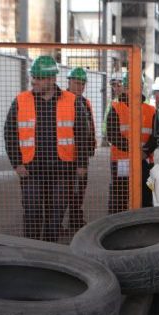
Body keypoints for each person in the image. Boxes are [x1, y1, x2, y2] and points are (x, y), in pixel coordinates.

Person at [3, 56, 92, 242]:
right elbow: (10, 133)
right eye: (33, 77)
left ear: (52, 79)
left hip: (62, 170)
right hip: (31, 170)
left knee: (56, 215)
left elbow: (83, 136)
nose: (34, 81)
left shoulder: (72, 101)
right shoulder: (21, 101)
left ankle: (50, 248)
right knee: (32, 213)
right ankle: (32, 249)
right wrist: (16, 163)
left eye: (39, 78)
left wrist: (82, 164)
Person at [105, 73, 155, 213]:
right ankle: (116, 223)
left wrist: (145, 152)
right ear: (125, 88)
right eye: (129, 87)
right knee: (119, 198)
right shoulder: (115, 108)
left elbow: (155, 136)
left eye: (138, 86)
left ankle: (143, 223)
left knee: (145, 197)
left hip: (144, 161)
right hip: (122, 161)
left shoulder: (151, 110)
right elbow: (112, 135)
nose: (133, 90)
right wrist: (136, 151)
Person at [65, 67, 96, 230]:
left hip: (81, 155)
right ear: (69, 82)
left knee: (79, 189)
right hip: (65, 156)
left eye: (83, 84)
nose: (80, 87)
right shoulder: (61, 101)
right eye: (77, 83)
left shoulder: (85, 102)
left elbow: (88, 127)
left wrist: (90, 148)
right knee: (64, 192)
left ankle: (75, 219)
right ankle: (55, 223)